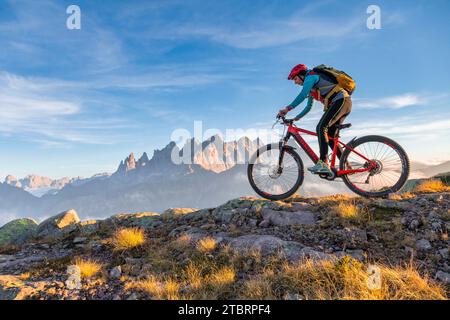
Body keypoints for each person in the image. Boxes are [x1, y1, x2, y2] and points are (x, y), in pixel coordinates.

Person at [278, 64, 352, 175]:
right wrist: (295, 118)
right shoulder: (312, 88)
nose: (295, 82)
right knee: (330, 137)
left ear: (301, 75)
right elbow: (308, 107)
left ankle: (323, 163)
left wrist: (287, 109)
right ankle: (347, 166)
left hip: (340, 101)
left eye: (295, 79)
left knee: (321, 127)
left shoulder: (311, 77)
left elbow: (302, 95)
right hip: (343, 103)